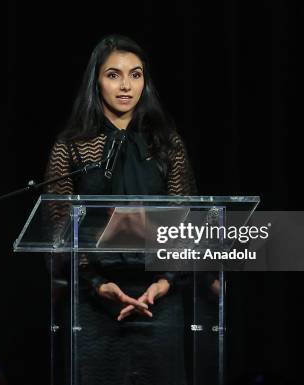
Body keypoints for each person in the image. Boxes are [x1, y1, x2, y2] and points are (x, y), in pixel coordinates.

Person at [44, 35, 198, 385]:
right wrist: (98, 284)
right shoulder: (71, 147)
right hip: (94, 299)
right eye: (113, 74)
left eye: (136, 74)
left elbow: (184, 218)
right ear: (96, 82)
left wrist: (164, 281)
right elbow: (59, 228)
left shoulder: (166, 142)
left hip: (160, 296)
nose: (126, 85)